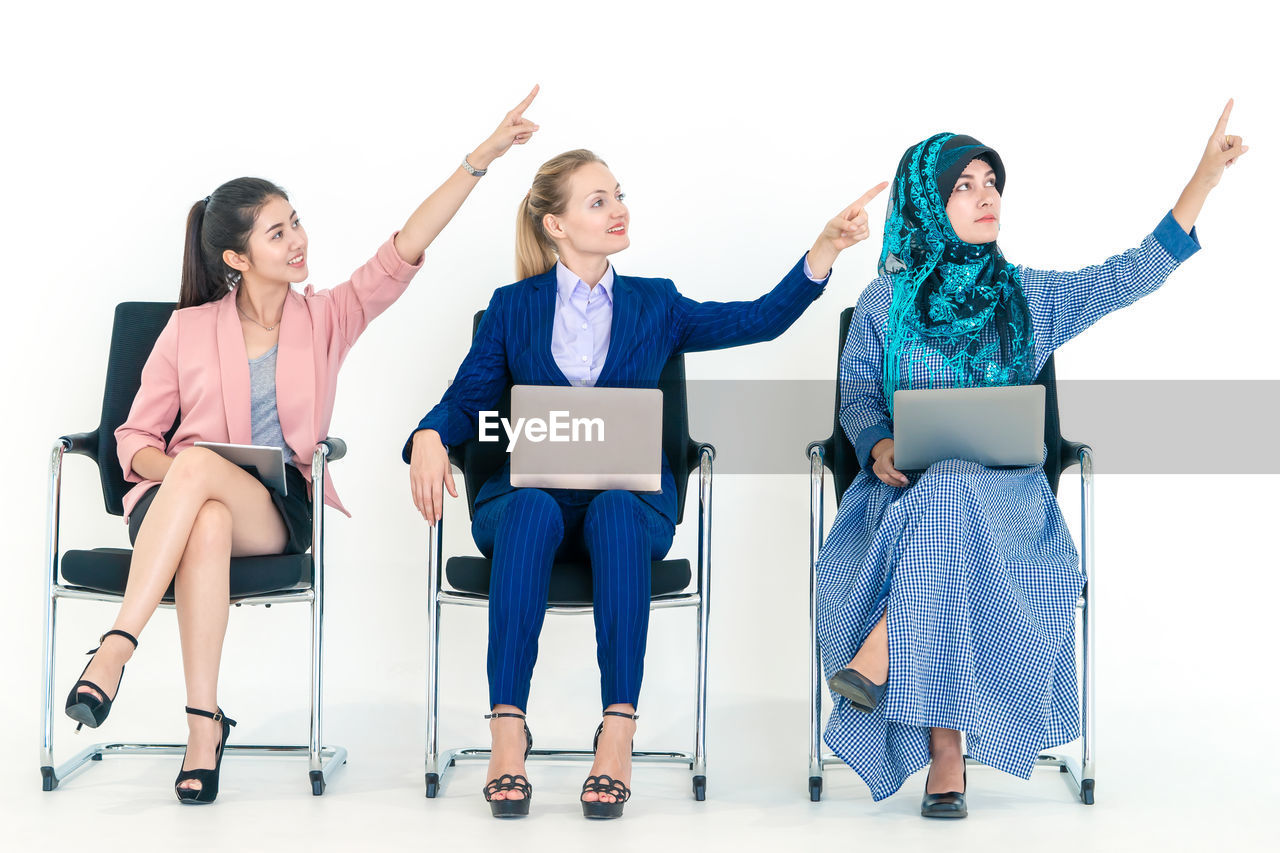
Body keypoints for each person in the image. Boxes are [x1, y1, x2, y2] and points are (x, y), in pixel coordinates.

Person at [62, 88, 542, 804]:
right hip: (177, 509)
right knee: (205, 504)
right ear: (235, 255)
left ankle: (116, 645)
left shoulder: (327, 318)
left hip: (277, 510)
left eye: (296, 224)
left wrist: (481, 158)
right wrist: (188, 474)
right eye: (277, 233)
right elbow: (132, 438)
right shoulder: (188, 329)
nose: (298, 242)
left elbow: (406, 246)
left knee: (210, 483)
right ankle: (204, 725)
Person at [406, 148, 886, 818]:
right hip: (524, 498)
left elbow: (758, 319)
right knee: (533, 509)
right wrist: (429, 434)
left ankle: (619, 732)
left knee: (614, 511)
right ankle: (507, 733)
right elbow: (467, 399)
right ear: (556, 225)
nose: (618, 209)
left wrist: (823, 250)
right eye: (597, 201)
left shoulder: (655, 303)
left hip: (628, 497)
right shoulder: (513, 307)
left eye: (618, 195)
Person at [816, 101, 1246, 818]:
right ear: (926, 201)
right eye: (964, 185)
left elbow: (1129, 275)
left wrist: (1200, 183)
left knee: (955, 484)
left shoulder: (1029, 297)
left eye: (991, 182)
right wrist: (877, 441)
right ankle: (945, 747)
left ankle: (893, 657)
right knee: (946, 484)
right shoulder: (884, 300)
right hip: (902, 503)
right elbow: (858, 393)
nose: (987, 195)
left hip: (1011, 511)